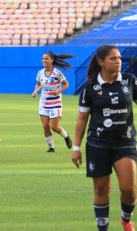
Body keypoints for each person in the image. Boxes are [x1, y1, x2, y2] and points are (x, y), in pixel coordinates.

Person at [72, 45, 137, 231]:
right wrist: (76, 149)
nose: (118, 61)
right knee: (101, 189)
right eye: (113, 58)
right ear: (101, 62)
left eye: (119, 58)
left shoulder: (130, 81)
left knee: (129, 189)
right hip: (97, 143)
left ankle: (126, 220)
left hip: (125, 142)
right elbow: (82, 118)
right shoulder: (89, 86)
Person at [32, 51, 76, 152]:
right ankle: (51, 147)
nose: (44, 60)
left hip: (55, 104)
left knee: (54, 127)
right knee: (45, 126)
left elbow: (66, 84)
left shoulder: (57, 73)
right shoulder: (40, 73)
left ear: (52, 60)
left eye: (46, 59)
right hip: (43, 103)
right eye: (43, 58)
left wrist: (59, 91)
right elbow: (38, 84)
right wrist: (35, 91)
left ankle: (66, 136)